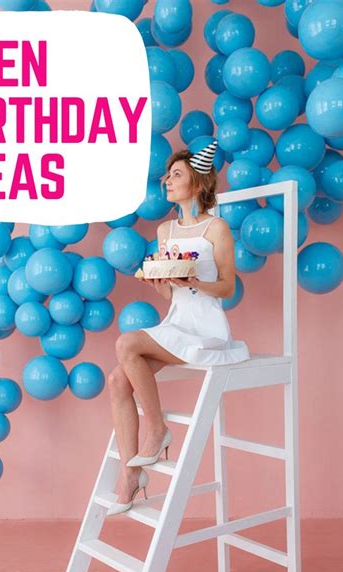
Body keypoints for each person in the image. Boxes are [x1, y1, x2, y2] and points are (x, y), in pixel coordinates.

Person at [106, 139, 250, 516]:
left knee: (126, 343)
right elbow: (173, 294)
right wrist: (163, 285)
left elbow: (227, 288)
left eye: (176, 175)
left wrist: (192, 283)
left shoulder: (216, 228)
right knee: (117, 381)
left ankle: (156, 429)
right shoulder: (165, 232)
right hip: (177, 322)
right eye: (167, 175)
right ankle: (130, 475)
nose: (167, 181)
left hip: (206, 326)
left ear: (198, 184)